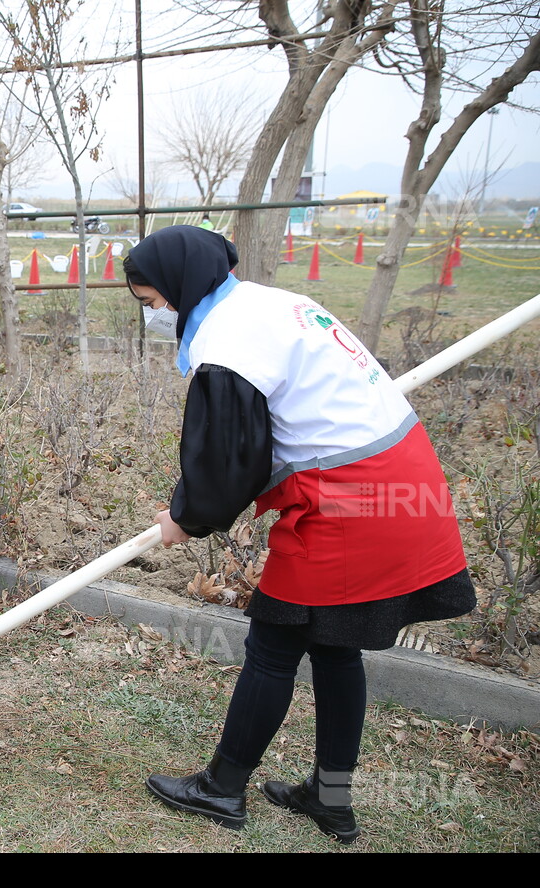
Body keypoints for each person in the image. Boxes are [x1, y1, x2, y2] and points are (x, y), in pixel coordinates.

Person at [124, 225, 474, 843]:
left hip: (350, 499)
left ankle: (221, 788)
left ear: (179, 287)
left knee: (274, 644)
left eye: (153, 304)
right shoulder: (272, 303)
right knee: (336, 648)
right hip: (402, 483)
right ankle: (330, 800)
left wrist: (185, 519)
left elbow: (231, 458)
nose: (154, 317)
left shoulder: (230, 343)